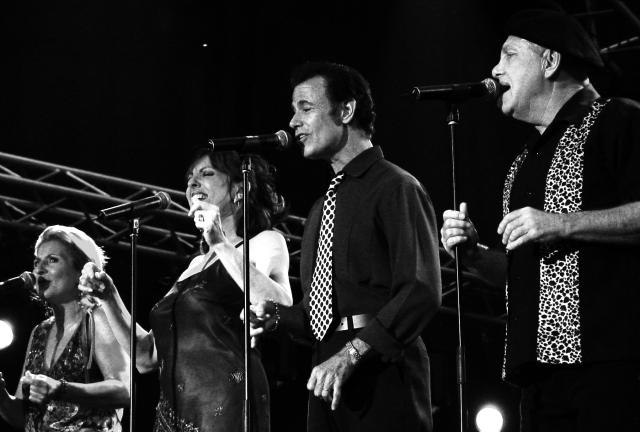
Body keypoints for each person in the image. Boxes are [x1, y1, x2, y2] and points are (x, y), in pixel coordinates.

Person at [441, 8, 640, 432]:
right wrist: (474, 255)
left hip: (611, 367)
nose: (495, 69)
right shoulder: (523, 163)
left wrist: (561, 223)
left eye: (509, 55)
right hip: (539, 379)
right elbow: (524, 274)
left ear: (550, 62)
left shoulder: (619, 120)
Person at [249, 61, 442, 432]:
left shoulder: (396, 186)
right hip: (326, 376)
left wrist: (352, 353)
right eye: (294, 110)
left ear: (346, 110)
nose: (293, 122)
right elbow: (318, 313)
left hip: (382, 373)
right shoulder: (323, 206)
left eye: (305, 108)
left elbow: (420, 290)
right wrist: (276, 315)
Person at [80, 150, 292, 432]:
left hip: (226, 403)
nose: (192, 183)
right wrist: (109, 296)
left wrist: (220, 242)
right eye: (189, 178)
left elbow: (276, 303)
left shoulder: (266, 242)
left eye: (206, 174)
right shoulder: (194, 265)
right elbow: (146, 357)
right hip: (173, 411)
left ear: (239, 189)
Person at [0, 225, 130, 432]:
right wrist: (2, 398)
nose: (39, 270)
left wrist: (60, 389)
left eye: (52, 260)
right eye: (36, 262)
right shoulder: (40, 332)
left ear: (80, 270)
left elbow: (124, 390)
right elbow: (24, 418)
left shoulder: (97, 318)